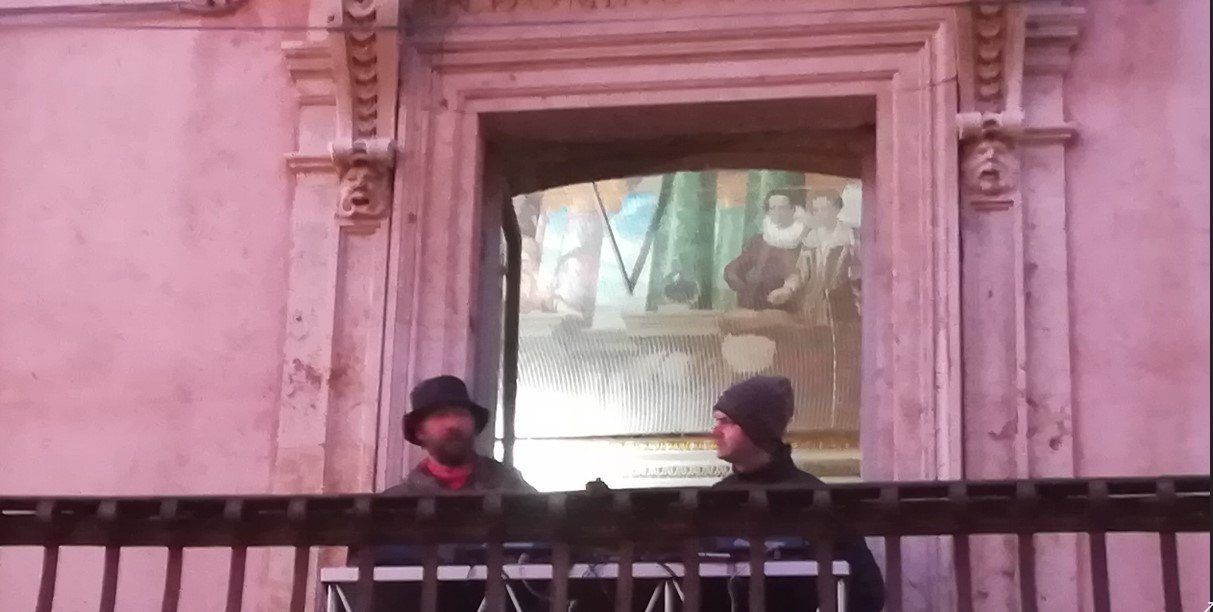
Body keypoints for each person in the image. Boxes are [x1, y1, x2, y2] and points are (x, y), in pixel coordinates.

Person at [708, 375, 886, 612]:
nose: (715, 431)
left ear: (757, 427)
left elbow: (868, 590)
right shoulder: (714, 500)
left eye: (726, 422)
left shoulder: (816, 500)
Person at [383, 375, 535, 495]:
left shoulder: (513, 491)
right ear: (419, 432)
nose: (453, 424)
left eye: (460, 414)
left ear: (474, 424)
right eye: (440, 416)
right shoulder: (394, 506)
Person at [723, 190, 809, 313]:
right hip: (755, 307)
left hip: (789, 310)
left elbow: (806, 278)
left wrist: (788, 291)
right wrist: (744, 289)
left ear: (793, 210)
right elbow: (733, 268)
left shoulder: (805, 241)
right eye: (773, 208)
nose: (777, 212)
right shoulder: (759, 241)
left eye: (782, 208)